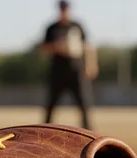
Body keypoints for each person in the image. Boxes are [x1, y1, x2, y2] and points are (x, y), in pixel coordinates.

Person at [40, 0, 97, 130]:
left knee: (83, 102)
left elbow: (87, 47)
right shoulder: (52, 28)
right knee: (51, 103)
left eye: (65, 9)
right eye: (62, 9)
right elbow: (44, 49)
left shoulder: (77, 26)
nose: (64, 11)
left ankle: (88, 130)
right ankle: (45, 130)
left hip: (76, 70)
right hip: (58, 70)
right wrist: (57, 46)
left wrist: (91, 65)